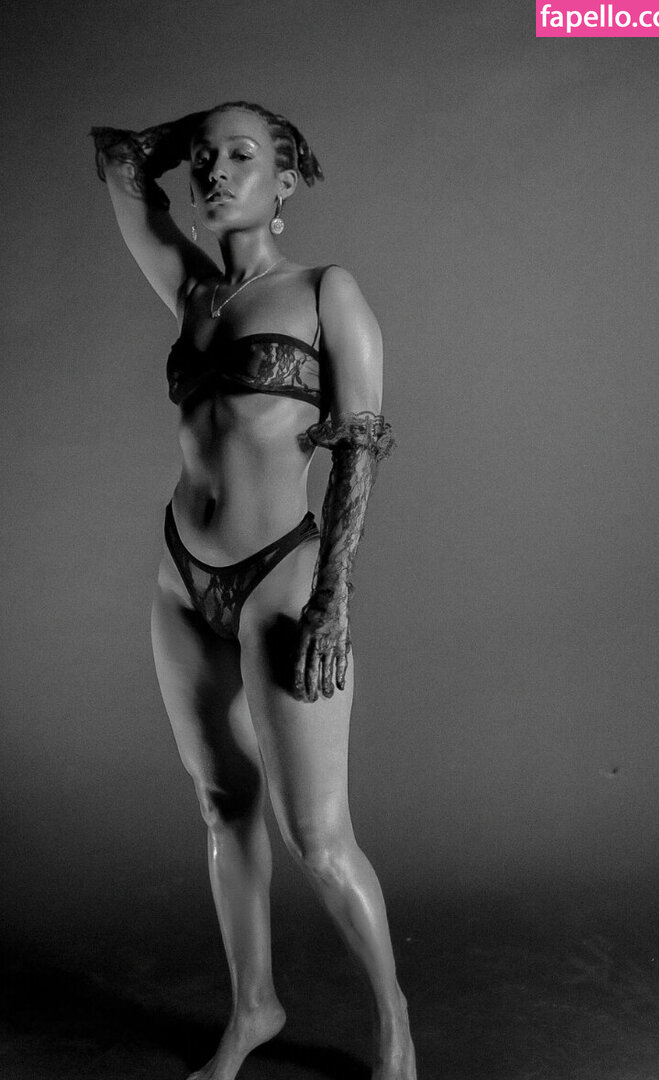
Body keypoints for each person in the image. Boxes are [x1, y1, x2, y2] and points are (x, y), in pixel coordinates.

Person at [90, 102, 416, 1080]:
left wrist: (334, 601)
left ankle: (394, 1023)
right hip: (180, 579)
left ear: (287, 180)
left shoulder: (324, 291)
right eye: (203, 159)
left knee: (316, 836)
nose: (214, 173)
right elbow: (117, 160)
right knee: (219, 806)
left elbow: (359, 449)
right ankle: (253, 1008)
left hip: (284, 575)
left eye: (242, 157)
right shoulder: (190, 290)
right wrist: (210, 131)